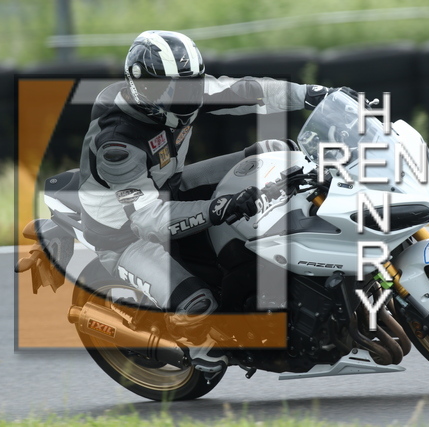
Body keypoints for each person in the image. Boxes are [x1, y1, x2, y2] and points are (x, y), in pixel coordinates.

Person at [77, 30, 346, 375]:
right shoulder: (117, 144)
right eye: (169, 88)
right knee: (199, 308)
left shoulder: (182, 93)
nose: (183, 96)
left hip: (169, 185)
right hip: (124, 231)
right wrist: (218, 208)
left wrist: (314, 94)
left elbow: (251, 91)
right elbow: (148, 220)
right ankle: (197, 347)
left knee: (275, 152)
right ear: (141, 86)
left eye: (189, 86)